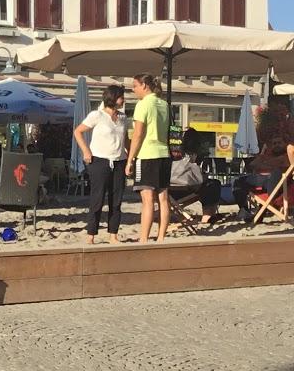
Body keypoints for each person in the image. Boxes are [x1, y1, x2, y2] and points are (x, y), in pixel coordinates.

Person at [73, 84, 128, 244]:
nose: (123, 100)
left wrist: (131, 158)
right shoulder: (97, 115)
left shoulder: (123, 118)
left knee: (116, 200)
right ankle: (91, 234)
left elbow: (126, 140)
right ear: (113, 98)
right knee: (97, 198)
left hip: (119, 161)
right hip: (99, 161)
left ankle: (113, 234)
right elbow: (78, 131)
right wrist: (86, 151)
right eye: (121, 97)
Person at [126, 73, 171, 242]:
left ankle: (144, 239)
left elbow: (138, 134)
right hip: (163, 153)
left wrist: (130, 159)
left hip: (147, 154)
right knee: (163, 198)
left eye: (135, 86)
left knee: (147, 199)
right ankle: (161, 237)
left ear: (144, 85)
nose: (133, 90)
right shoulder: (164, 104)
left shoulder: (143, 104)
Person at [170, 140, 223, 224]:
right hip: (183, 192)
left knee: (209, 185)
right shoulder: (187, 162)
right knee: (212, 185)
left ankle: (209, 215)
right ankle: (207, 217)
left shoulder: (163, 162)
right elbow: (199, 180)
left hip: (167, 194)